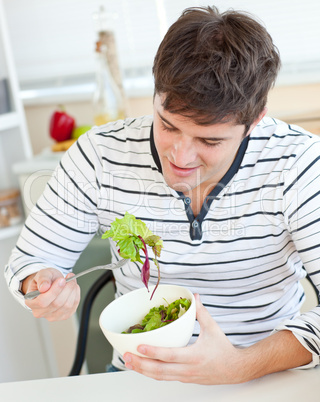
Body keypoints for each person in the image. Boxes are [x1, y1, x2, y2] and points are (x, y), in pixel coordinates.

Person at [5, 6, 320, 384]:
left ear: (255, 120)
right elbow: (29, 262)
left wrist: (241, 365)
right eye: (168, 126)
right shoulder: (100, 154)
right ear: (155, 94)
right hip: (138, 378)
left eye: (209, 140)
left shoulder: (300, 164)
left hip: (266, 377)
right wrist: (39, 284)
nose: (180, 157)